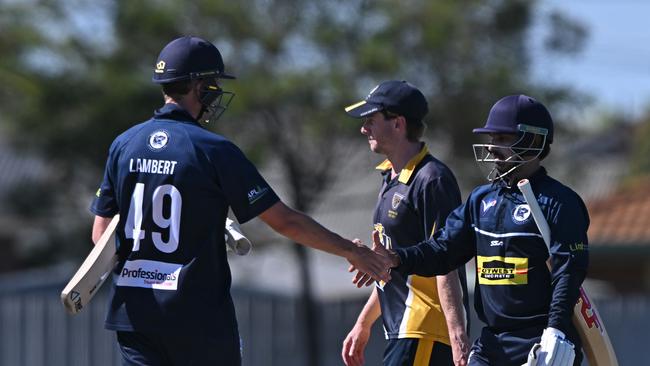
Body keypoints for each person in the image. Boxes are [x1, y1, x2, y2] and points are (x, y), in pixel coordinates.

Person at [89, 35, 392, 366]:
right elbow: (285, 221)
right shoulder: (214, 151)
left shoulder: (124, 144)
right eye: (213, 84)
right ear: (197, 86)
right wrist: (352, 250)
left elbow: (101, 232)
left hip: (135, 313)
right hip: (196, 315)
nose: (216, 92)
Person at [356, 94, 589, 366]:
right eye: (491, 139)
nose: (491, 148)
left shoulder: (560, 202)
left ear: (533, 142)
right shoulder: (481, 200)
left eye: (502, 139)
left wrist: (556, 330)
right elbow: (442, 251)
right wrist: (397, 258)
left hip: (542, 341)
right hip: (493, 343)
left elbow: (568, 273)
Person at [341, 80, 471, 366]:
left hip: (425, 328)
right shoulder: (391, 178)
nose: (364, 128)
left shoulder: (432, 179)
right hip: (403, 329)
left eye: (371, 120)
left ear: (398, 123)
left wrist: (458, 336)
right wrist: (364, 323)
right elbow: (396, 267)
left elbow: (446, 262)